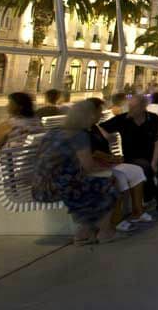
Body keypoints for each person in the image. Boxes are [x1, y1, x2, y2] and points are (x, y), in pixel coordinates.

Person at [32, 100, 118, 245]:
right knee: (109, 185)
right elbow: (88, 167)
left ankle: (84, 233)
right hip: (57, 187)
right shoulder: (79, 135)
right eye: (97, 114)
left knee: (90, 185)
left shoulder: (55, 132)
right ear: (89, 116)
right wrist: (107, 168)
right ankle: (103, 232)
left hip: (40, 185)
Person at [84, 98, 153, 232]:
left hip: (107, 163)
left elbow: (105, 143)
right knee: (119, 177)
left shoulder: (94, 127)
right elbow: (92, 153)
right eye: (99, 111)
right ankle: (116, 220)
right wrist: (112, 158)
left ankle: (137, 212)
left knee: (137, 171)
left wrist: (114, 158)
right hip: (95, 167)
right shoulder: (82, 130)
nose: (101, 114)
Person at [100, 95, 158, 212]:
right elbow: (100, 128)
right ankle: (152, 195)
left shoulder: (154, 119)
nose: (131, 109)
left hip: (152, 154)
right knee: (145, 168)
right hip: (132, 156)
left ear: (143, 107)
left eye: (134, 107)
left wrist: (154, 162)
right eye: (130, 106)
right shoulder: (122, 119)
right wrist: (107, 137)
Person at [0, 93, 42, 179]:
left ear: (18, 107)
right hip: (28, 167)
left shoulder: (8, 125)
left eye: (10, 103)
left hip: (7, 167)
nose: (7, 106)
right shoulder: (37, 122)